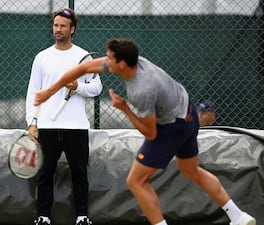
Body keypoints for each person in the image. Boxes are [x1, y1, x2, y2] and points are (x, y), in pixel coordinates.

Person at [33, 38, 256, 225]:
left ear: (121, 63)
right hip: (188, 114)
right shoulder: (133, 62)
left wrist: (125, 109)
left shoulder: (141, 90)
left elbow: (150, 134)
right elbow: (81, 68)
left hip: (172, 127)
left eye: (110, 58)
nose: (105, 62)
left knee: (136, 181)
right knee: (192, 171)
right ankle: (238, 216)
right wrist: (50, 91)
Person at [25, 8, 103, 225]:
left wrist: (78, 86)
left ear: (72, 29)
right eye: (55, 25)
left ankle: (82, 216)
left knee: (79, 173)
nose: (58, 29)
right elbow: (33, 92)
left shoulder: (83, 57)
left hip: (76, 127)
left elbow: (96, 87)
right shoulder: (42, 57)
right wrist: (32, 122)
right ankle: (43, 217)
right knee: (45, 174)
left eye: (62, 26)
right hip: (47, 127)